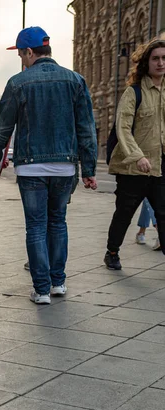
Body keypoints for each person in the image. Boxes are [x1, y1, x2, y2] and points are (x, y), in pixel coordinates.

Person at [0, 26, 97, 305]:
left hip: (30, 168)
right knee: (58, 222)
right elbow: (86, 128)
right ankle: (58, 283)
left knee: (36, 226)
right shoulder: (75, 80)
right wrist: (88, 169)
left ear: (29, 52)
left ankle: (41, 290)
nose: (22, 61)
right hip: (64, 166)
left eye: (21, 55)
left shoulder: (18, 83)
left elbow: (4, 124)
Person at [105, 39, 165, 270]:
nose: (160, 63)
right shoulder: (134, 92)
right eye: (155, 58)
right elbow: (122, 127)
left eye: (164, 58)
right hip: (134, 167)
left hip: (161, 166)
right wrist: (138, 156)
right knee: (124, 213)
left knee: (163, 214)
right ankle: (112, 252)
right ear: (146, 63)